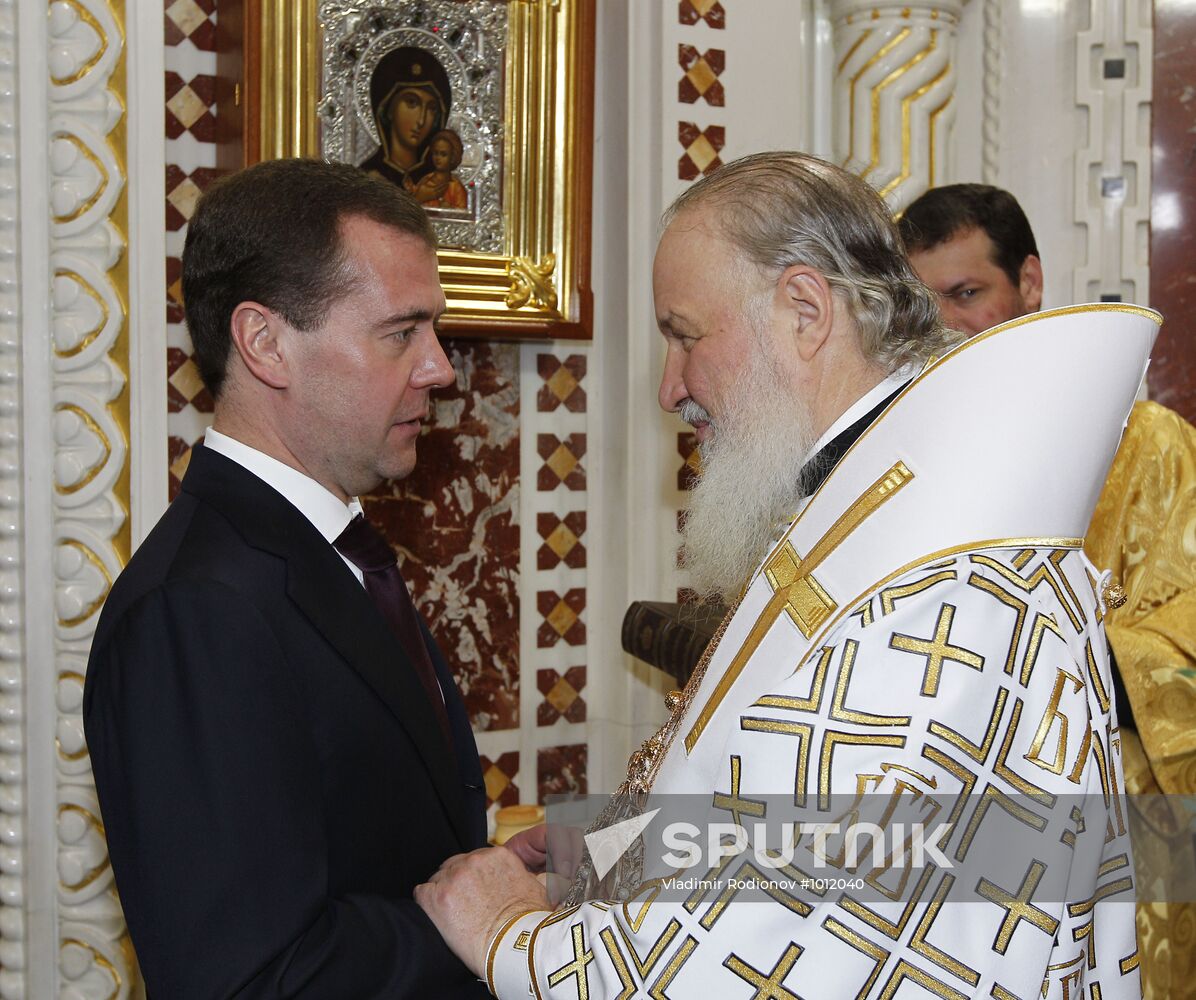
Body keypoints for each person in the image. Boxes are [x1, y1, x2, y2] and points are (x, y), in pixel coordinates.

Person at [414, 153, 1148, 998]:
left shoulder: (934, 580)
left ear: (805, 311)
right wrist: (616, 855)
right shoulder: (871, 506)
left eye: (685, 335)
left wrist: (511, 936)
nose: (669, 388)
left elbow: (781, 948)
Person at [82, 159, 519, 997]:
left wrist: (488, 876)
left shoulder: (323, 547)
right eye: (402, 333)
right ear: (265, 342)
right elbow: (248, 976)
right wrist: (473, 921)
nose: (440, 370)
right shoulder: (196, 609)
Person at [900, 182, 1196, 1000]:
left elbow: (1187, 650)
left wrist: (1033, 651)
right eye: (924, 305)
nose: (945, 328)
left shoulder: (1152, 448)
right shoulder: (903, 459)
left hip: (1122, 842)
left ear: (1029, 283)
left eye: (967, 294)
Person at [360, 46, 452, 205]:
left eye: (431, 108)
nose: (422, 120)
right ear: (387, 109)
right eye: (412, 103)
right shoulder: (365, 179)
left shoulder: (440, 182)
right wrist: (417, 200)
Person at [411, 129, 469, 210]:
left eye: (443, 154)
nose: (438, 158)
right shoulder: (425, 181)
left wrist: (450, 210)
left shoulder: (457, 189)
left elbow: (462, 215)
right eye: (435, 153)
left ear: (452, 157)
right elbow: (410, 209)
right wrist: (419, 198)